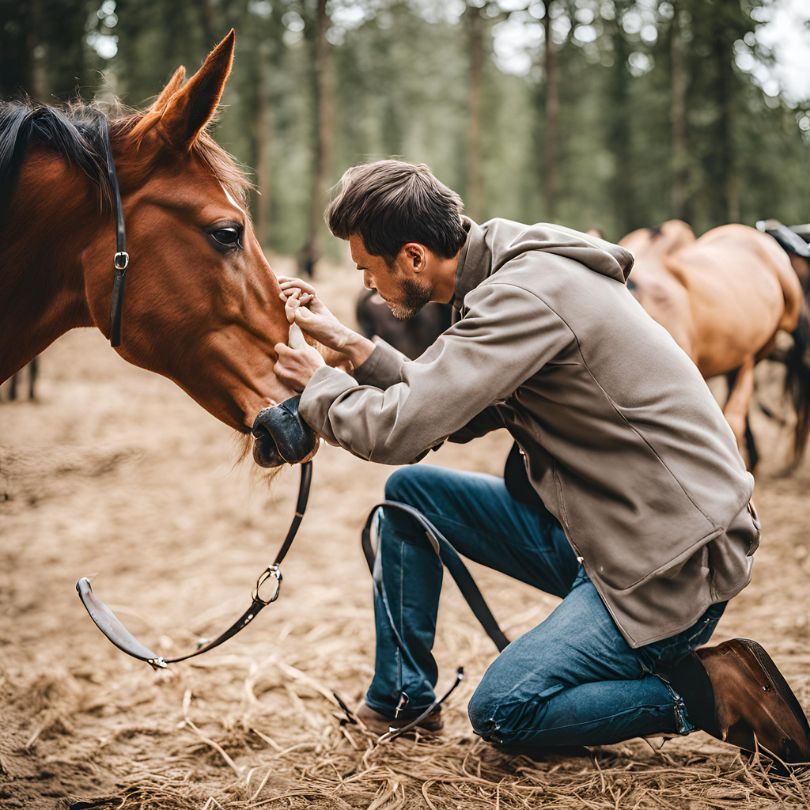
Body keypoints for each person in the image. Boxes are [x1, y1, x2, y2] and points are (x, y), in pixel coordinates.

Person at [271, 159, 810, 761]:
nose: (368, 285)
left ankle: (706, 692)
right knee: (412, 497)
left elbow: (401, 428)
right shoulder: (509, 277)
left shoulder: (525, 296)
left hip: (669, 561)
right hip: (604, 534)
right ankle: (404, 700)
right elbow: (450, 404)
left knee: (506, 708)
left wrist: (318, 386)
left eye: (369, 269)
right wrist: (354, 349)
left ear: (415, 257)